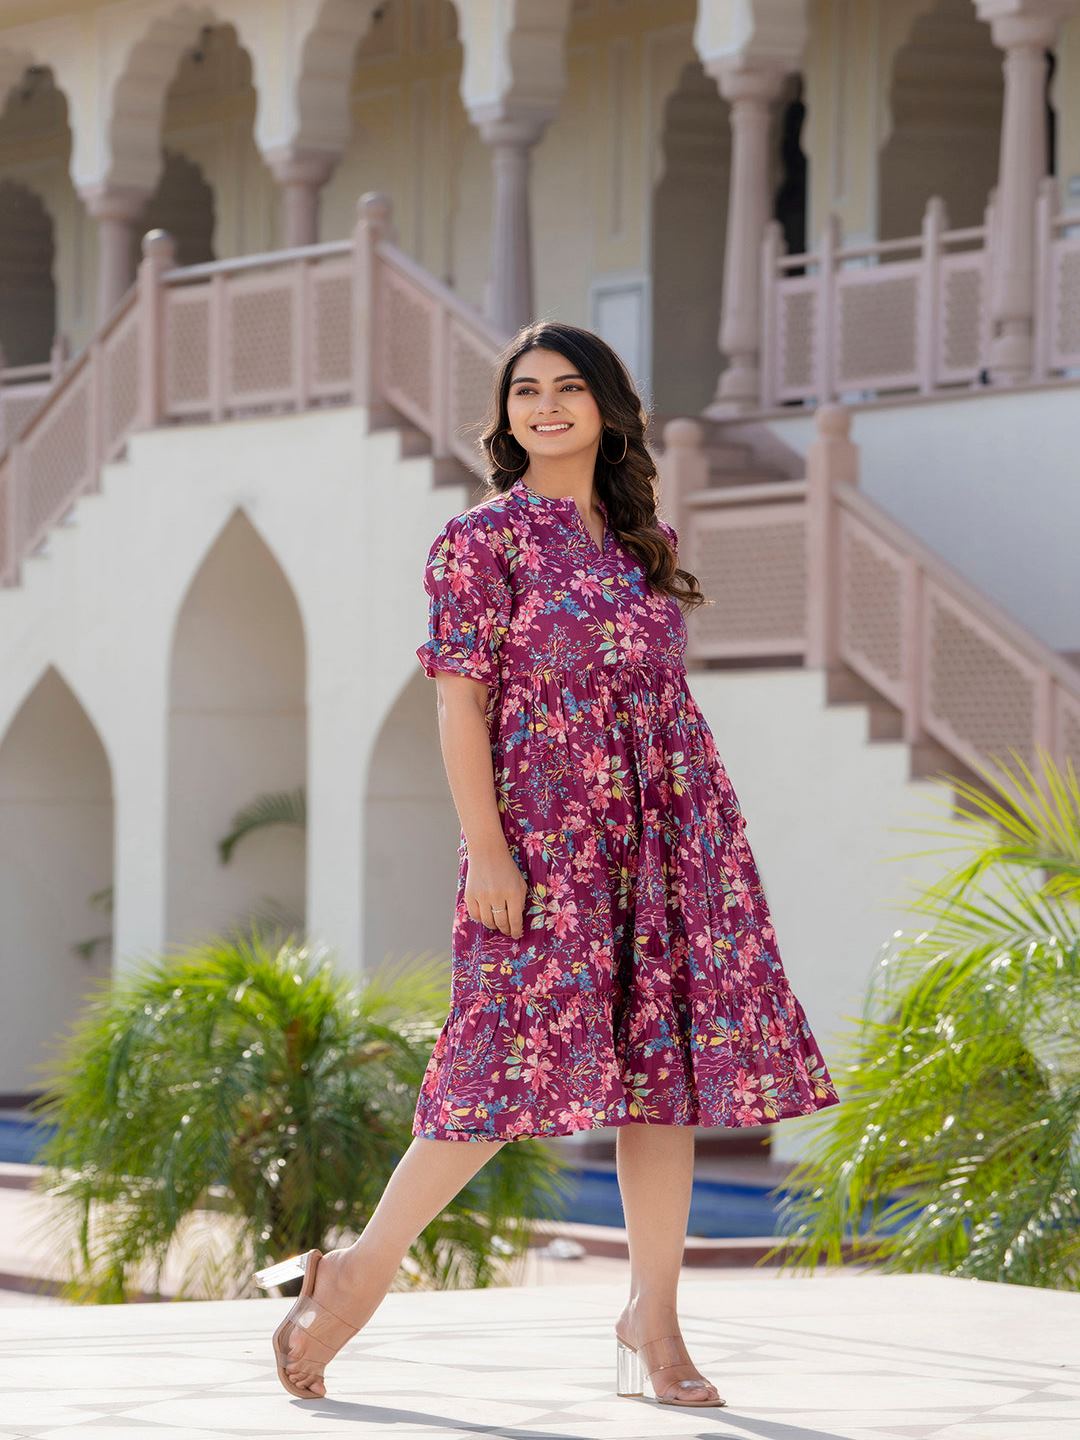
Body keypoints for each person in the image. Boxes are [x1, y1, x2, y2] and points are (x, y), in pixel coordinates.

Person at [258, 320, 841, 1406]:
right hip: (543, 843)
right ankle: (353, 1279)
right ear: (507, 414)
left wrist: (693, 840)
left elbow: (658, 704)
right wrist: (489, 848)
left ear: (609, 409)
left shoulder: (641, 542)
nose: (548, 406)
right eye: (527, 390)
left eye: (571, 388)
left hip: (667, 837)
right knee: (495, 1070)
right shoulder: (480, 543)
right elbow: (461, 702)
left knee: (662, 1079)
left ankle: (652, 1321)